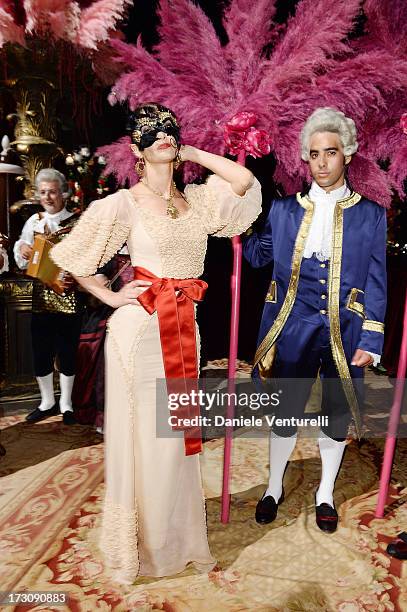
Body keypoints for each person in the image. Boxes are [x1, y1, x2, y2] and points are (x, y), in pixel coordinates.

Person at [50, 103, 262, 583]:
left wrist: (188, 150)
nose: (162, 135)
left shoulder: (199, 201)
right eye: (151, 132)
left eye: (169, 129)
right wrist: (109, 295)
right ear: (136, 148)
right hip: (141, 331)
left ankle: (176, 538)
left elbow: (242, 182)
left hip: (185, 327)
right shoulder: (123, 204)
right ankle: (142, 545)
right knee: (146, 439)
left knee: (177, 442)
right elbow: (75, 258)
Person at [243, 107, 386, 532]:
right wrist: (241, 213)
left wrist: (372, 337)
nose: (322, 162)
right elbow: (256, 256)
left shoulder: (372, 214)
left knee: (336, 412)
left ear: (347, 155)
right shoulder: (284, 210)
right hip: (293, 323)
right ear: (304, 158)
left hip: (346, 328)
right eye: (314, 153)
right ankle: (273, 486)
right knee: (285, 409)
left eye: (331, 152)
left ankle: (325, 492)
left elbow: (377, 278)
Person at [13, 168, 83, 426]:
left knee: (68, 351)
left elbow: (88, 256)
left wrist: (77, 274)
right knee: (40, 351)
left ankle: (66, 403)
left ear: (63, 192)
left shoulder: (78, 222)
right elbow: (21, 256)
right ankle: (46, 402)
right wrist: (22, 247)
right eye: (43, 192)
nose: (48, 197)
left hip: (70, 296)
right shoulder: (34, 222)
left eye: (52, 191)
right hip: (41, 296)